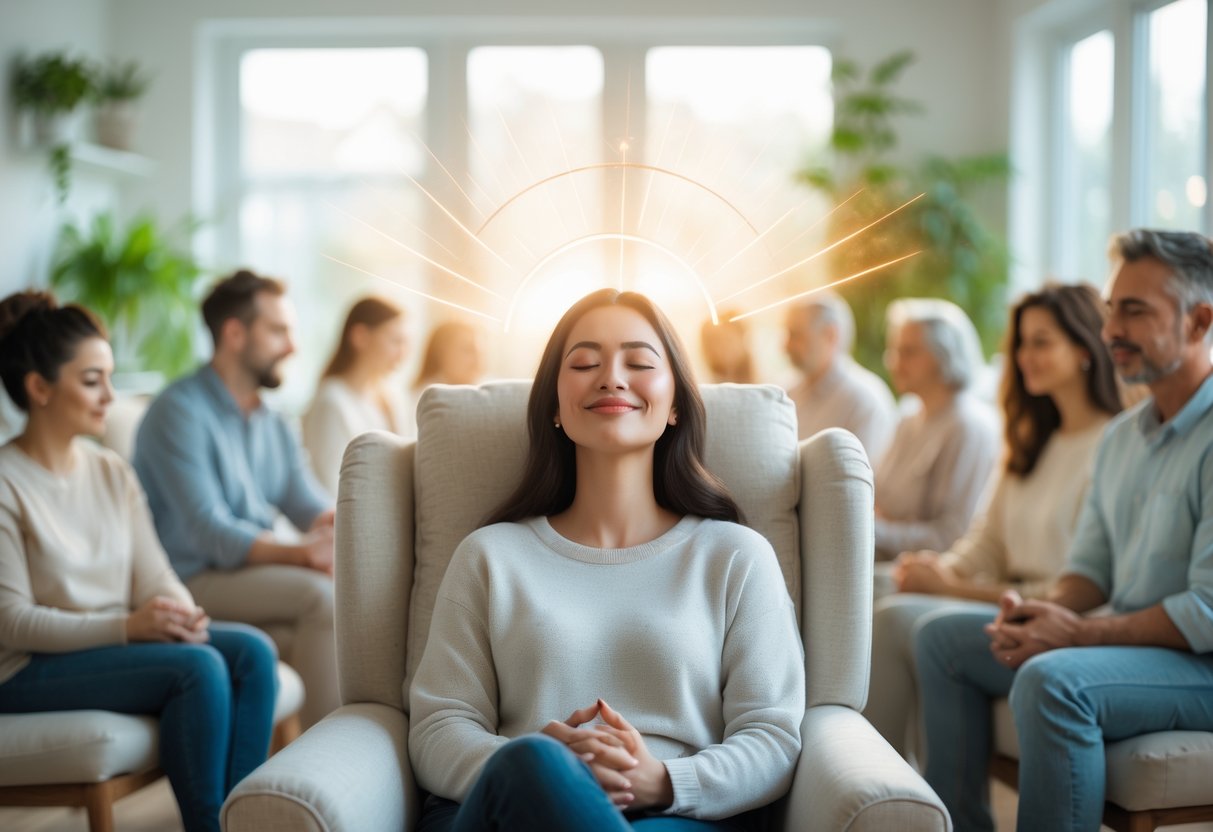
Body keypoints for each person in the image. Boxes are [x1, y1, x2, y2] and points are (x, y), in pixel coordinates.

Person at [408, 289, 804, 830]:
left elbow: (773, 737)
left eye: (639, 362)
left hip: (678, 814)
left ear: (675, 406)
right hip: (512, 807)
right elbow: (437, 728)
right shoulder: (490, 556)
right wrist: (548, 769)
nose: (611, 378)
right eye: (585, 363)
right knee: (533, 763)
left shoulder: (735, 557)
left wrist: (662, 781)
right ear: (552, 403)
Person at [914, 229, 1213, 832]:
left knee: (1054, 682)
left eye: (1134, 311)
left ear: (1200, 320)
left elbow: (1206, 611)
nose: (1110, 333)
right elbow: (1089, 571)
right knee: (942, 639)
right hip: (1130, 642)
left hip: (1200, 663)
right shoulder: (1121, 439)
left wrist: (1081, 634)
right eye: (1110, 311)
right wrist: (1043, 614)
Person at [0, 291, 277, 832]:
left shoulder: (111, 471)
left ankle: (243, 822)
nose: (110, 395)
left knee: (252, 653)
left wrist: (184, 612)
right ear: (39, 388)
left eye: (110, 377)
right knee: (196, 669)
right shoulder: (7, 482)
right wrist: (128, 627)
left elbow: (154, 574)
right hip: (25, 669)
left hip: (108, 643)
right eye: (91, 380)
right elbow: (12, 622)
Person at [864, 283, 1122, 764]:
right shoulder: (1029, 440)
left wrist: (952, 588)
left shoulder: (1114, 445)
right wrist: (939, 570)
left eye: (1042, 342)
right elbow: (986, 541)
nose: (1025, 356)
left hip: (1059, 615)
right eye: (1021, 343)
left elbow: (1082, 587)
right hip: (1004, 595)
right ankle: (882, 781)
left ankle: (886, 781)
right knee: (884, 586)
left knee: (898, 616)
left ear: (1085, 347)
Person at [133, 269, 337, 728]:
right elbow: (209, 531)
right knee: (322, 598)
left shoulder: (272, 417)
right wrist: (304, 555)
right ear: (234, 333)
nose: (293, 346)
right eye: (279, 331)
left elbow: (307, 502)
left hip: (247, 572)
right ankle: (328, 751)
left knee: (342, 596)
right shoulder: (178, 411)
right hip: (190, 578)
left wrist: (362, 529)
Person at [873, 298, 999, 561]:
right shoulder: (907, 416)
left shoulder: (969, 426)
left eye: (909, 352)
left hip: (932, 571)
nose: (894, 362)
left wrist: (873, 530)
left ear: (944, 355)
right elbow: (877, 498)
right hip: (894, 559)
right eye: (894, 351)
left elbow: (952, 536)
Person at [302, 296, 410, 493]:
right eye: (395, 341)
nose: (402, 353)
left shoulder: (389, 399)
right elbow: (331, 488)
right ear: (360, 337)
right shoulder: (332, 401)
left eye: (405, 343)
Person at [785, 292, 897, 463]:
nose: (786, 345)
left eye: (796, 335)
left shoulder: (865, 401)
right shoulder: (787, 391)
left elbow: (864, 484)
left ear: (830, 335)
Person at [699, 313, 754, 384]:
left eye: (727, 339)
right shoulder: (707, 383)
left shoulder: (764, 376)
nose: (721, 348)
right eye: (715, 342)